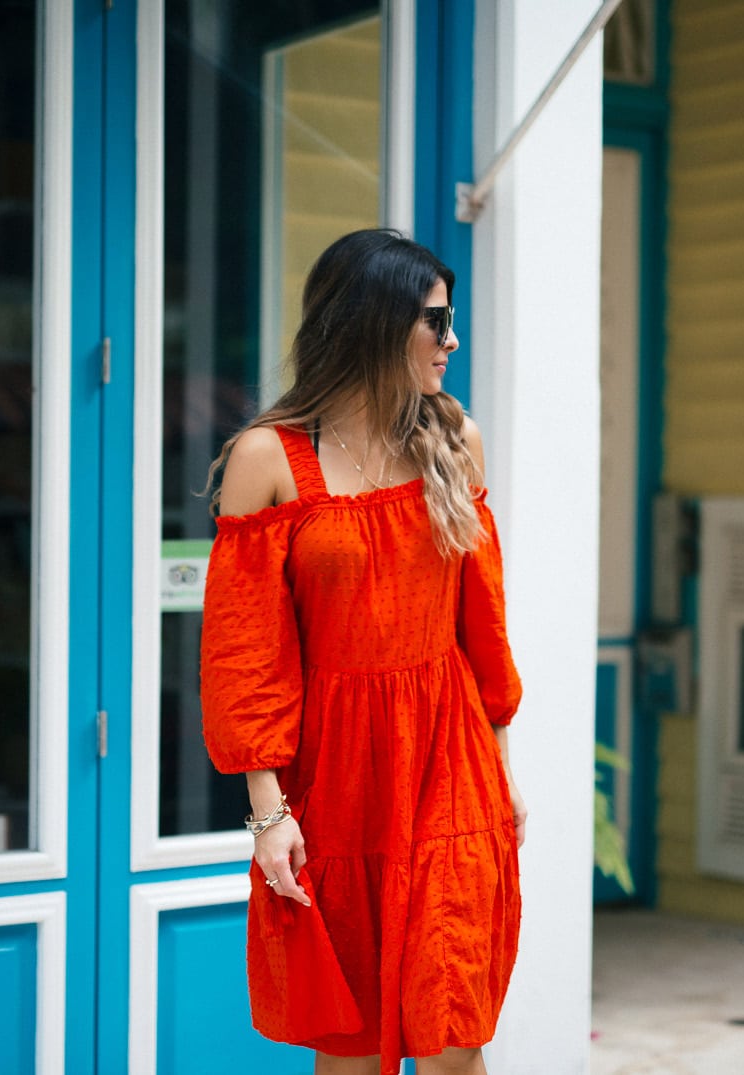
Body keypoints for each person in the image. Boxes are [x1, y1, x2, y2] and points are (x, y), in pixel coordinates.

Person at [199, 229, 526, 1075]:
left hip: (449, 765)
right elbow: (247, 656)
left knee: (454, 1031)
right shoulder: (269, 458)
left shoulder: (455, 442)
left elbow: (481, 624)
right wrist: (269, 815)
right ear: (373, 323)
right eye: (435, 321)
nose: (452, 340)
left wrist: (501, 762)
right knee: (353, 1047)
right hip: (337, 780)